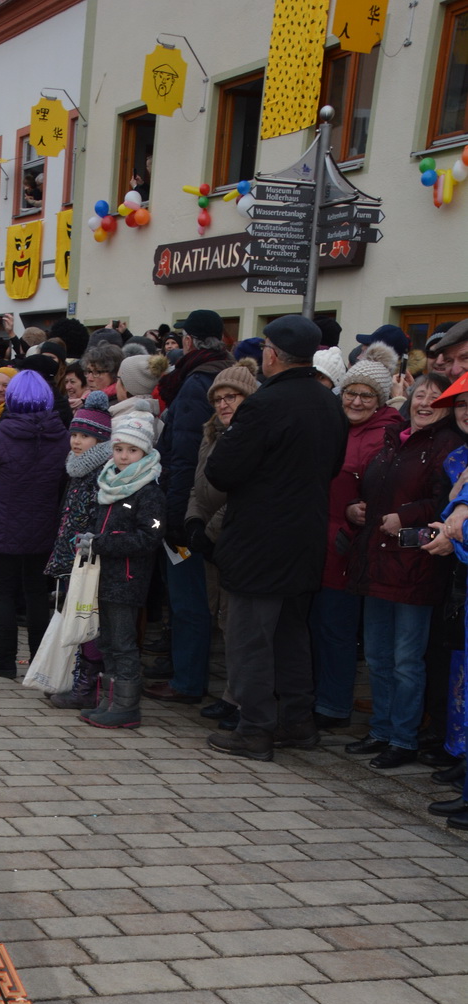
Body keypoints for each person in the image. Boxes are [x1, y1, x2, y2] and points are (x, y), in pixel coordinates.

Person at [203, 314, 348, 761]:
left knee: (249, 638)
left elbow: (222, 470)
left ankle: (255, 729)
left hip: (259, 539)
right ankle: (298, 723)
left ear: (271, 354)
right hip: (304, 536)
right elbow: (333, 466)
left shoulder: (265, 405)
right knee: (290, 635)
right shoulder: (328, 402)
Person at [343, 371, 459, 769]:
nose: (425, 402)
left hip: (416, 566)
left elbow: (443, 501)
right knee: (377, 656)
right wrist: (354, 509)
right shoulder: (395, 441)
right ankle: (381, 730)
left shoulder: (449, 446)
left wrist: (405, 517)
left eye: (434, 397)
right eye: (419, 395)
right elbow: (373, 494)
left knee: (406, 661)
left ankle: (404, 738)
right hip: (376, 564)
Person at [309, 343, 404, 731]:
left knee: (337, 628)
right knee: (316, 624)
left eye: (366, 395)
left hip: (346, 546)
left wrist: (352, 518)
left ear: (379, 400)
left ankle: (332, 706)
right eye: (351, 392)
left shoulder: (384, 435)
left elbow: (381, 494)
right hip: (318, 538)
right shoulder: (334, 423)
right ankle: (315, 695)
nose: (357, 400)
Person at [151, 309, 233, 705]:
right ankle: (188, 674)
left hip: (190, 506)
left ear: (187, 342)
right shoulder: (228, 375)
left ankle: (187, 681)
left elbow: (183, 455)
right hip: (211, 505)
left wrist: (176, 514)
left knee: (189, 599)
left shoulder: (195, 382)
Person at [0, 370, 69, 678]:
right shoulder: (62, 436)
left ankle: (5, 659)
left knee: (2, 591)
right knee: (36, 592)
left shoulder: (2, 435)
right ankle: (39, 659)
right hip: (43, 522)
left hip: (3, 521)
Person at [184, 361, 261, 730]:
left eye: (232, 396)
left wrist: (210, 530)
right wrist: (193, 522)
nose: (224, 404)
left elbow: (243, 494)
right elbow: (198, 486)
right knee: (220, 617)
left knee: (238, 624)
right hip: (211, 539)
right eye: (218, 398)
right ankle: (230, 693)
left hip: (237, 539)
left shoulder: (254, 435)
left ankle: (240, 698)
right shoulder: (210, 433)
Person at [76, 412, 166, 729]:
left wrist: (103, 543)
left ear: (145, 452)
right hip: (101, 577)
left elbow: (149, 537)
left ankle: (127, 705)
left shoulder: (149, 492)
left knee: (124, 644)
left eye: (132, 450)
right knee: (107, 641)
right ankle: (108, 699)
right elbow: (96, 523)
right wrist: (87, 538)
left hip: (127, 580)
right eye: (119, 449)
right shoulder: (108, 484)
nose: (124, 457)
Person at [43, 391, 113, 708]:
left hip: (87, 558)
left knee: (87, 619)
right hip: (72, 554)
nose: (76, 441)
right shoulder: (77, 467)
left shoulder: (100, 471)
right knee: (76, 616)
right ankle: (78, 680)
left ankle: (89, 687)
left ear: (100, 439)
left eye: (85, 436)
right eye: (75, 434)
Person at [423, 373, 468, 829]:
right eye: (461, 405)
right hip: (459, 578)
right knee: (458, 671)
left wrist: (456, 530)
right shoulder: (457, 457)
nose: (466, 411)